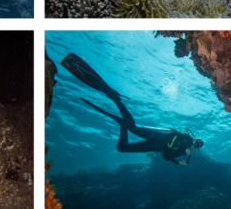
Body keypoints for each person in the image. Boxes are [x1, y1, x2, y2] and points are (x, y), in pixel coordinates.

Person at [60, 53, 204, 165]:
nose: (195, 143)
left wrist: (179, 161)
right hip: (157, 138)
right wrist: (185, 151)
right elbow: (175, 138)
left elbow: (166, 156)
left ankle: (121, 121)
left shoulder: (185, 149)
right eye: (197, 142)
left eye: (197, 145)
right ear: (195, 140)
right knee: (132, 129)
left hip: (154, 146)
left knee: (123, 146)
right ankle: (116, 100)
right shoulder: (186, 139)